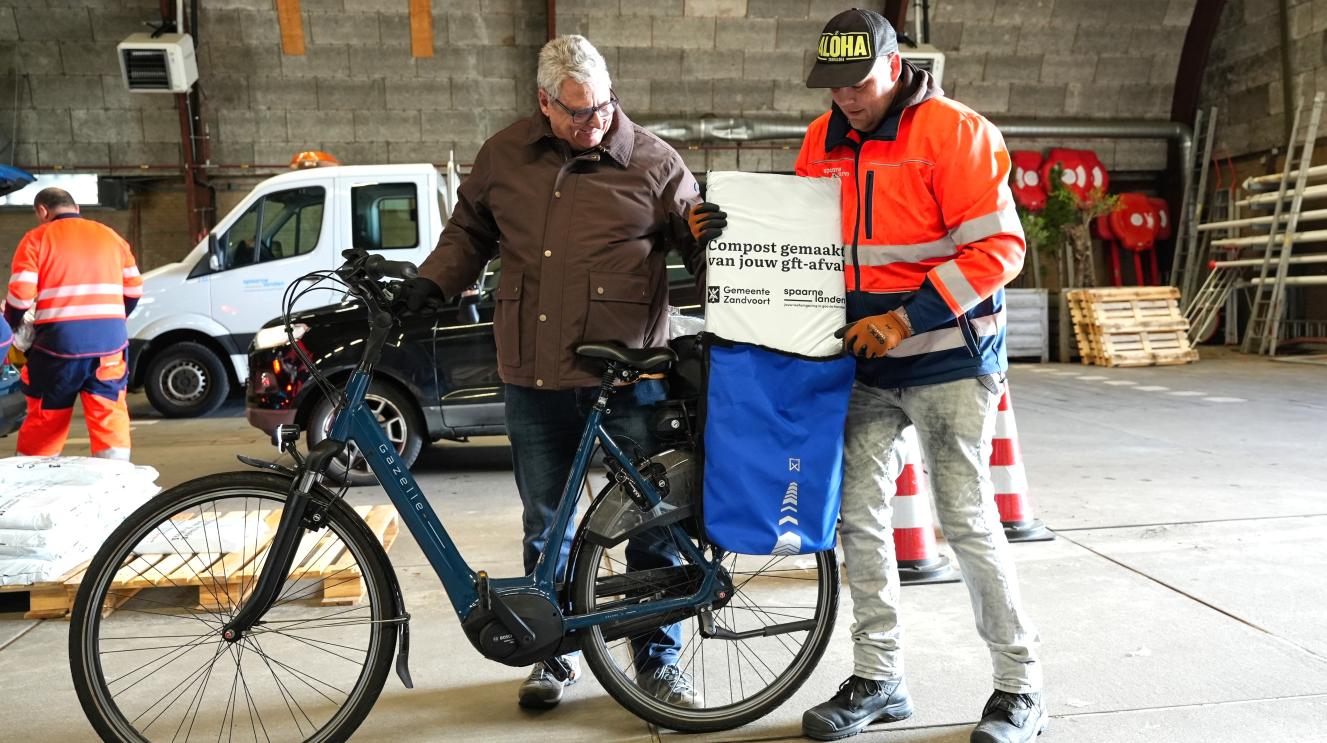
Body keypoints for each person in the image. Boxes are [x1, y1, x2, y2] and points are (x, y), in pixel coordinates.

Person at [692, 9, 1045, 742]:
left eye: (856, 83)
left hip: (946, 356)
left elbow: (998, 251)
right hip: (863, 363)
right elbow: (802, 238)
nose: (845, 97)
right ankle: (879, 677)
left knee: (967, 520)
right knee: (858, 519)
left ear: (894, 65)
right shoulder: (821, 138)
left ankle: (1019, 688)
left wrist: (905, 317)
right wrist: (730, 230)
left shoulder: (955, 133)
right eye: (833, 85)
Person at [399, 35, 709, 710]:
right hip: (533, 377)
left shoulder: (655, 162)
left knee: (651, 526)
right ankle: (553, 653)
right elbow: (467, 234)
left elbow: (704, 244)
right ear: (543, 103)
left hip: (631, 376)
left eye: (601, 107)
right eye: (574, 113)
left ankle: (657, 666)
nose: (592, 123)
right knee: (547, 524)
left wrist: (719, 239)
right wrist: (433, 282)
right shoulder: (504, 156)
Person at [5, 187, 142, 461]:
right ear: (75, 206)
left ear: (42, 211)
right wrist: (111, 321)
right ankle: (116, 486)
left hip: (58, 348)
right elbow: (134, 290)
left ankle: (32, 485)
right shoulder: (111, 236)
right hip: (110, 347)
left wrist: (11, 327)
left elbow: (20, 297)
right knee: (109, 415)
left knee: (47, 419)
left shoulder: (36, 239)